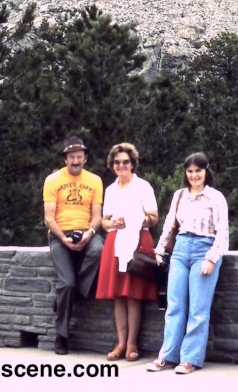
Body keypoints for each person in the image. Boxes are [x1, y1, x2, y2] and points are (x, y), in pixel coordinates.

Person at [147, 152, 229, 374]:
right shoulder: (180, 195)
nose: (194, 175)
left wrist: (212, 258)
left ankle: (189, 359)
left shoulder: (216, 198)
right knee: (174, 305)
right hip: (181, 250)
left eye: (198, 171)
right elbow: (169, 225)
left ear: (206, 172)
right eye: (190, 171)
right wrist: (160, 249)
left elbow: (222, 232)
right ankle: (168, 356)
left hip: (204, 249)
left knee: (198, 309)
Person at [96, 143, 159, 362]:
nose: (121, 165)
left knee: (133, 296)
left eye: (125, 161)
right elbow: (104, 221)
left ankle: (132, 343)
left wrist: (136, 219)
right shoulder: (111, 189)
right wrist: (112, 222)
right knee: (118, 296)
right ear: (112, 165)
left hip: (138, 242)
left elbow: (153, 217)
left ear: (132, 163)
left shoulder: (143, 186)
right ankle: (121, 342)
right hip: (115, 241)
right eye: (117, 162)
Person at [43, 136, 104, 355]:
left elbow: (97, 217)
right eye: (71, 157)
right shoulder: (52, 180)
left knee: (98, 249)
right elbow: (49, 218)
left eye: (79, 157)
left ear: (85, 158)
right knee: (66, 283)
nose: (75, 161)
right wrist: (63, 238)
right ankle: (62, 336)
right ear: (65, 159)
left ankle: (67, 298)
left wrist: (89, 234)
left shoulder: (95, 180)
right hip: (60, 234)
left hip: (86, 232)